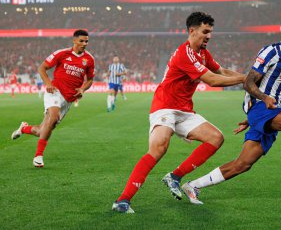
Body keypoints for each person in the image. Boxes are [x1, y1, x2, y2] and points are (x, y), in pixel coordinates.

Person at [180, 17, 281, 205]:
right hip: (263, 110)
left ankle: (192, 185)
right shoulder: (272, 52)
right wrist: (260, 104)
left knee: (242, 164)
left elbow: (269, 91)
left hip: (265, 113)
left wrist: (250, 118)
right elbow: (248, 82)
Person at [112, 12, 246, 213]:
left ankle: (174, 177)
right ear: (192, 31)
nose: (209, 36)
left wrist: (249, 76)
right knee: (159, 148)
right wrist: (247, 80)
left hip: (184, 110)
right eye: (205, 32)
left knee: (216, 138)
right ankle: (123, 200)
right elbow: (213, 80)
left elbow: (222, 72)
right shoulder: (185, 53)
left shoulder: (202, 53)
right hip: (165, 105)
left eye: (210, 32)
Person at [11, 29, 95, 167]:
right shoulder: (62, 53)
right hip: (55, 91)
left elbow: (90, 80)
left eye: (86, 41)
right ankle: (38, 156)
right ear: (74, 40)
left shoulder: (89, 59)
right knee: (53, 117)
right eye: (81, 41)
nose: (84, 43)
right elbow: (42, 68)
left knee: (43, 129)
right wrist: (48, 83)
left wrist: (82, 89)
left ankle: (24, 128)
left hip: (69, 98)